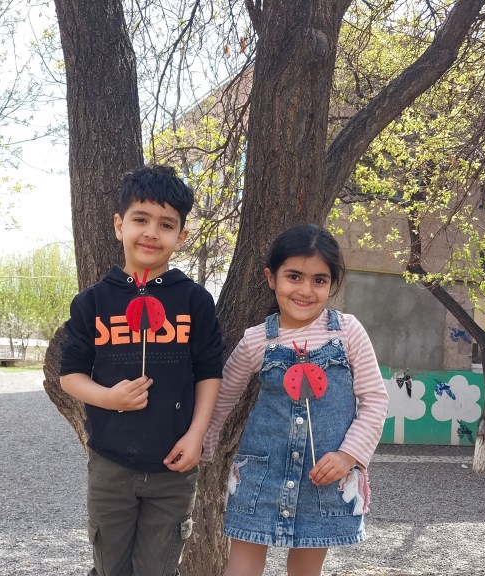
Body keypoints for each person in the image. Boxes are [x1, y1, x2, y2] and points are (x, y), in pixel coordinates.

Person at [59, 164, 225, 576]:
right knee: (109, 567)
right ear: (119, 226)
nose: (152, 232)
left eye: (166, 224)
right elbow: (70, 375)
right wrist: (108, 397)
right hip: (110, 464)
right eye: (140, 219)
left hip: (174, 465)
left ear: (180, 237)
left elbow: (209, 372)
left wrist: (196, 435)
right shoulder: (92, 302)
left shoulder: (195, 301)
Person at [203, 223, 388, 576]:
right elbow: (222, 397)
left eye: (319, 280)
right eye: (294, 277)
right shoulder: (257, 340)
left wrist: (348, 455)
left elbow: (375, 400)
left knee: (306, 568)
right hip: (260, 477)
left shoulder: (347, 332)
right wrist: (203, 445)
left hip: (324, 476)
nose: (305, 290)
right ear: (271, 278)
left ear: (332, 284)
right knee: (242, 563)